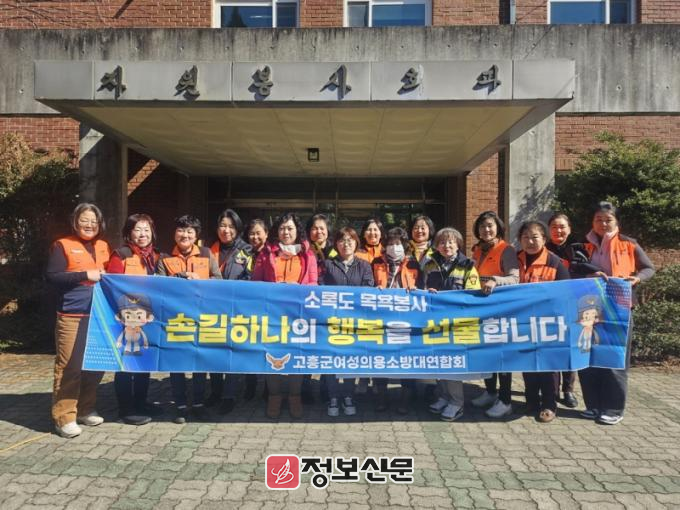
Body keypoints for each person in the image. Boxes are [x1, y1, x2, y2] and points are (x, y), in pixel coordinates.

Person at [579, 202, 655, 425]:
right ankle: (593, 405)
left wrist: (637, 278)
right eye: (598, 219)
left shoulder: (629, 243)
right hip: (589, 307)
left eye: (608, 220)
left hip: (619, 308)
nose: (603, 224)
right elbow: (575, 269)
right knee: (588, 356)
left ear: (616, 221)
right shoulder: (583, 245)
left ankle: (613, 408)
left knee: (614, 357)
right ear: (592, 222)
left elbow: (649, 268)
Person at [47, 203, 111, 438]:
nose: (89, 224)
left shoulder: (104, 246)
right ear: (75, 222)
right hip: (72, 315)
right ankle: (64, 417)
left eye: (94, 221)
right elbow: (52, 276)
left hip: (98, 317)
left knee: (94, 365)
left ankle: (85, 409)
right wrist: (85, 275)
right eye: (84, 220)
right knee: (70, 366)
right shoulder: (62, 245)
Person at [252, 212, 318, 419]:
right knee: (273, 355)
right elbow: (256, 283)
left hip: (299, 315)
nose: (286, 232)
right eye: (282, 228)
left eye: (290, 228)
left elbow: (314, 284)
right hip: (272, 314)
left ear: (297, 231)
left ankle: (294, 396)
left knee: (296, 355)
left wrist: (297, 289)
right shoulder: (266, 254)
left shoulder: (308, 255)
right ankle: (274, 396)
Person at [157, 215, 222, 424]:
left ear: (196, 235)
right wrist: (178, 278)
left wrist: (201, 280)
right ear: (174, 233)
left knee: (199, 362)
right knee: (176, 363)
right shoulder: (164, 257)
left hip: (201, 317)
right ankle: (180, 405)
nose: (184, 235)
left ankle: (199, 404)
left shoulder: (206, 254)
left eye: (189, 231)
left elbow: (218, 280)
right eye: (181, 230)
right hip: (175, 319)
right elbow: (159, 286)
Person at [421, 227, 482, 422]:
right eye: (442, 242)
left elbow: (472, 294)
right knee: (438, 362)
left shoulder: (468, 266)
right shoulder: (430, 265)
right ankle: (444, 396)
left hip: (457, 324)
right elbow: (421, 289)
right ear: (436, 246)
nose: (446, 246)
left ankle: (457, 402)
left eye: (450, 242)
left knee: (452, 363)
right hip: (434, 323)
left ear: (458, 245)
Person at [107, 213, 162, 426]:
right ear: (129, 233)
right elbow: (112, 287)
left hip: (149, 318)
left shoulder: (157, 256)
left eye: (146, 229)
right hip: (127, 319)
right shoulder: (120, 255)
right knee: (125, 363)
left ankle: (140, 402)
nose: (142, 234)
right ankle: (126, 408)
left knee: (144, 362)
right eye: (137, 229)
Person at [516, 221, 571, 423]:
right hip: (523, 322)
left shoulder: (555, 263)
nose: (530, 242)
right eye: (525, 237)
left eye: (535, 237)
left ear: (544, 239)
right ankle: (531, 400)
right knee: (528, 363)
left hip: (549, 323)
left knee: (549, 365)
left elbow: (565, 293)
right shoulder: (515, 260)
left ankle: (549, 404)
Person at [546, 212, 601, 409]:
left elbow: (590, 271)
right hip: (551, 306)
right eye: (554, 227)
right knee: (553, 347)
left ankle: (568, 390)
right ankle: (552, 390)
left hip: (575, 305)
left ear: (569, 229)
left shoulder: (580, 248)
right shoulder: (543, 250)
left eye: (562, 227)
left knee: (571, 346)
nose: (558, 231)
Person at [468, 211, 519, 418]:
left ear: (498, 227)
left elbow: (515, 278)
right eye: (482, 226)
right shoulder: (477, 250)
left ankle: (505, 400)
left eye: (490, 225)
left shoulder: (506, 250)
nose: (486, 230)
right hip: (481, 308)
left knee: (502, 355)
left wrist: (496, 281)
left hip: (500, 309)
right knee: (486, 353)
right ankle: (490, 392)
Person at [321, 227, 374, 417]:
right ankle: (333, 397)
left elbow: (368, 290)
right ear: (336, 244)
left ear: (356, 243)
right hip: (331, 321)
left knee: (351, 359)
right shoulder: (327, 264)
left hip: (354, 322)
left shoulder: (364, 266)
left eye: (350, 239)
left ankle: (349, 396)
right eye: (342, 240)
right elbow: (319, 289)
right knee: (331, 360)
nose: (346, 243)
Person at [205, 209, 253, 415]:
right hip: (211, 308)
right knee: (213, 351)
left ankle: (229, 395)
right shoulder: (207, 250)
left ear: (238, 229)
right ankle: (215, 391)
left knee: (232, 352)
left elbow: (251, 278)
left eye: (231, 227)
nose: (226, 230)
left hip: (236, 309)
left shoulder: (247, 251)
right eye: (222, 226)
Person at [371, 226, 420, 413]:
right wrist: (374, 289)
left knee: (406, 359)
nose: (394, 247)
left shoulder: (413, 263)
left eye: (398, 243)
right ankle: (381, 398)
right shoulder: (377, 262)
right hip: (381, 318)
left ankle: (405, 401)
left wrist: (419, 290)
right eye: (390, 243)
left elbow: (422, 286)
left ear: (405, 245)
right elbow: (368, 284)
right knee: (381, 359)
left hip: (407, 318)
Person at [242, 218, 268, 400]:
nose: (255, 237)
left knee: (265, 348)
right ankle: (249, 384)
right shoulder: (243, 253)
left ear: (266, 234)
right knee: (248, 347)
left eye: (258, 233)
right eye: (252, 233)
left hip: (266, 308)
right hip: (246, 308)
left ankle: (267, 388)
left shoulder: (272, 254)